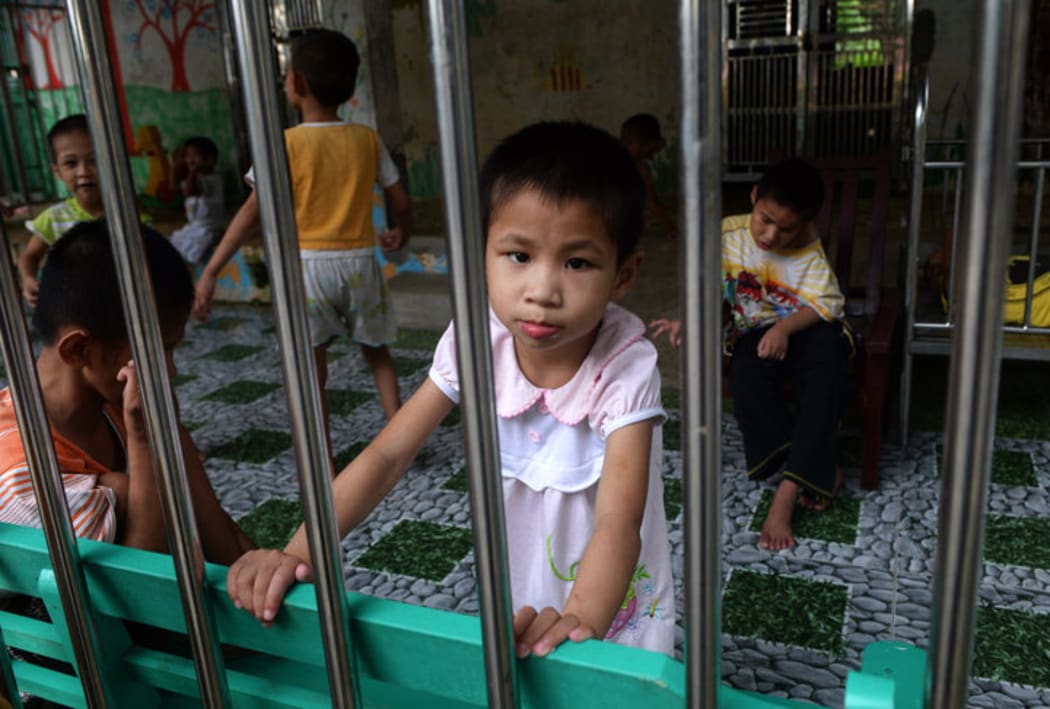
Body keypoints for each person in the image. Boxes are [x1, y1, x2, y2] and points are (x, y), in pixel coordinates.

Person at [225, 121, 676, 657]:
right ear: (482, 253)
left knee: (600, 681)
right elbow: (388, 454)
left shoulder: (626, 368)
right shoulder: (475, 341)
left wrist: (582, 619)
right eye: (519, 255)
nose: (542, 291)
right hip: (524, 571)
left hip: (607, 589)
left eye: (577, 262)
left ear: (623, 275)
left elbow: (618, 523)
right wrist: (297, 553)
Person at [192, 28, 413, 455]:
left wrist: (212, 270)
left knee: (311, 371)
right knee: (377, 352)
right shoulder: (366, 138)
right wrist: (402, 231)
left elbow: (251, 212)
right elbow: (400, 200)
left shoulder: (285, 144)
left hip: (307, 269)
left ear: (295, 82)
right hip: (360, 263)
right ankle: (399, 436)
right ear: (350, 87)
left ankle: (321, 460)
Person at [0, 219, 256, 564]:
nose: (171, 370)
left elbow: (223, 540)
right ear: (77, 350)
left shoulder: (114, 398)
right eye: (158, 351)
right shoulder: (21, 477)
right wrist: (143, 437)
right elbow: (148, 590)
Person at [650, 159, 852, 551]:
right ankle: (821, 467)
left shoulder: (808, 252)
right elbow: (713, 288)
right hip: (753, 331)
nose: (771, 235)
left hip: (811, 329)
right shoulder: (729, 233)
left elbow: (828, 305)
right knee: (746, 378)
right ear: (754, 197)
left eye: (786, 228)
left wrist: (784, 328)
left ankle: (786, 496)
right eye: (765, 220)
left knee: (826, 376)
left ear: (806, 224)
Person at [18, 114, 104, 309]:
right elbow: (28, 256)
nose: (83, 171)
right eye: (71, 164)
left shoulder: (127, 214)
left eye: (94, 160)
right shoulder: (55, 217)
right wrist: (29, 279)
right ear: (57, 171)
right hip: (72, 308)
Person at [169, 136, 225, 264]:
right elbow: (174, 188)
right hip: (193, 227)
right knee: (173, 245)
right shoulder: (195, 178)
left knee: (190, 251)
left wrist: (193, 171)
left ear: (209, 160)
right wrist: (175, 165)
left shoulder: (213, 179)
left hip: (208, 229)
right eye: (187, 156)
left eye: (194, 156)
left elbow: (190, 191)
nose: (189, 160)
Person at [620, 113, 677, 239]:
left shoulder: (639, 165)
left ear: (648, 144)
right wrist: (671, 228)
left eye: (630, 142)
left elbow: (652, 202)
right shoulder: (636, 165)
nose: (624, 145)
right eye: (624, 140)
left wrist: (671, 228)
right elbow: (652, 202)